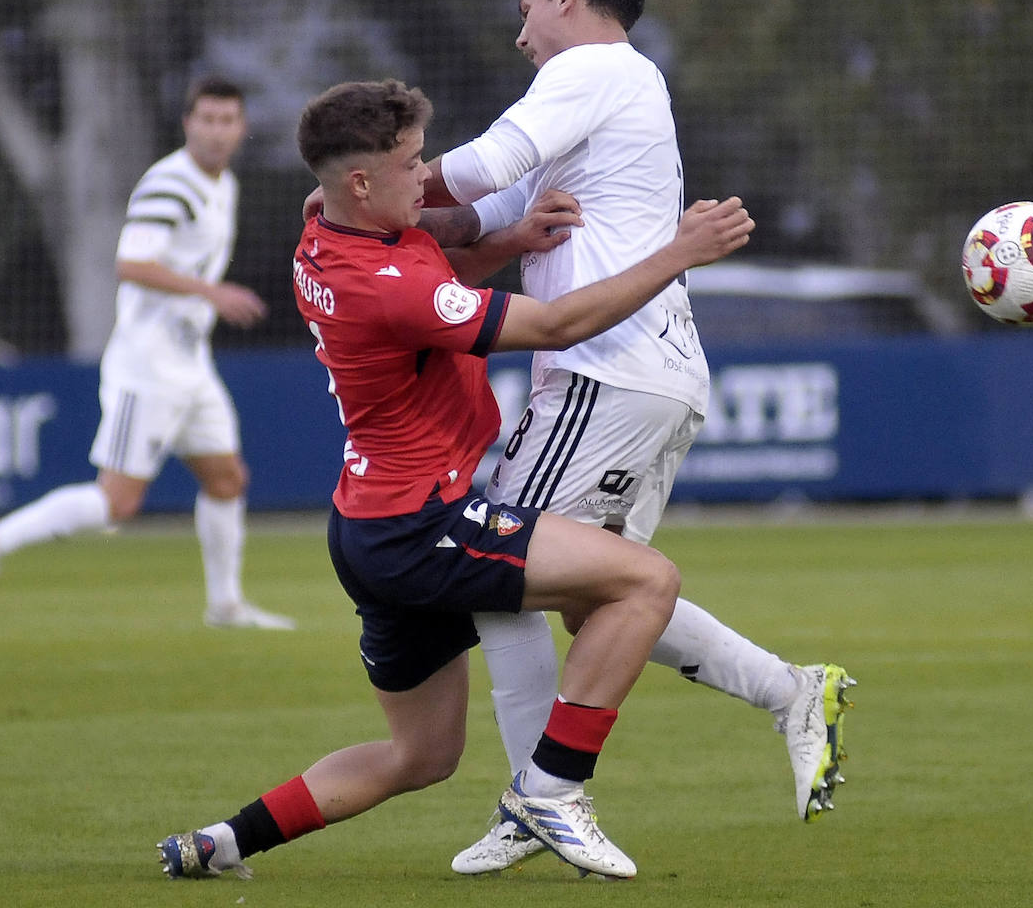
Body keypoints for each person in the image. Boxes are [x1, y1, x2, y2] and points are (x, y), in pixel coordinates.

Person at [156, 78, 754, 881]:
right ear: (361, 183)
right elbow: (557, 323)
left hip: (364, 527)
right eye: (410, 165)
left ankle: (218, 844)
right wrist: (680, 253)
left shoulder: (323, 238)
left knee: (422, 754)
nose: (427, 177)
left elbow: (435, 247)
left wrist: (509, 239)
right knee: (645, 582)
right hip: (421, 526)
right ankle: (552, 791)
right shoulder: (388, 287)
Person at [413, 0, 857, 871]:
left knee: (494, 576)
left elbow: (475, 169)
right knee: (598, 598)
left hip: (605, 374)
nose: (520, 32)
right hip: (643, 378)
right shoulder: (598, 101)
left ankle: (541, 797)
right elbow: (468, 223)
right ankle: (791, 690)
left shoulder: (598, 70)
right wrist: (419, 212)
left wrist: (360, 184)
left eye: (525, 6)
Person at [0, 76, 295, 631]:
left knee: (227, 478)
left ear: (241, 128)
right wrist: (213, 293)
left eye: (226, 120)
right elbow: (130, 263)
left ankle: (225, 605)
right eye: (205, 119)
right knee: (117, 502)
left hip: (190, 362)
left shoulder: (222, 183)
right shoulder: (170, 184)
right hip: (147, 365)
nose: (216, 130)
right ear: (188, 124)